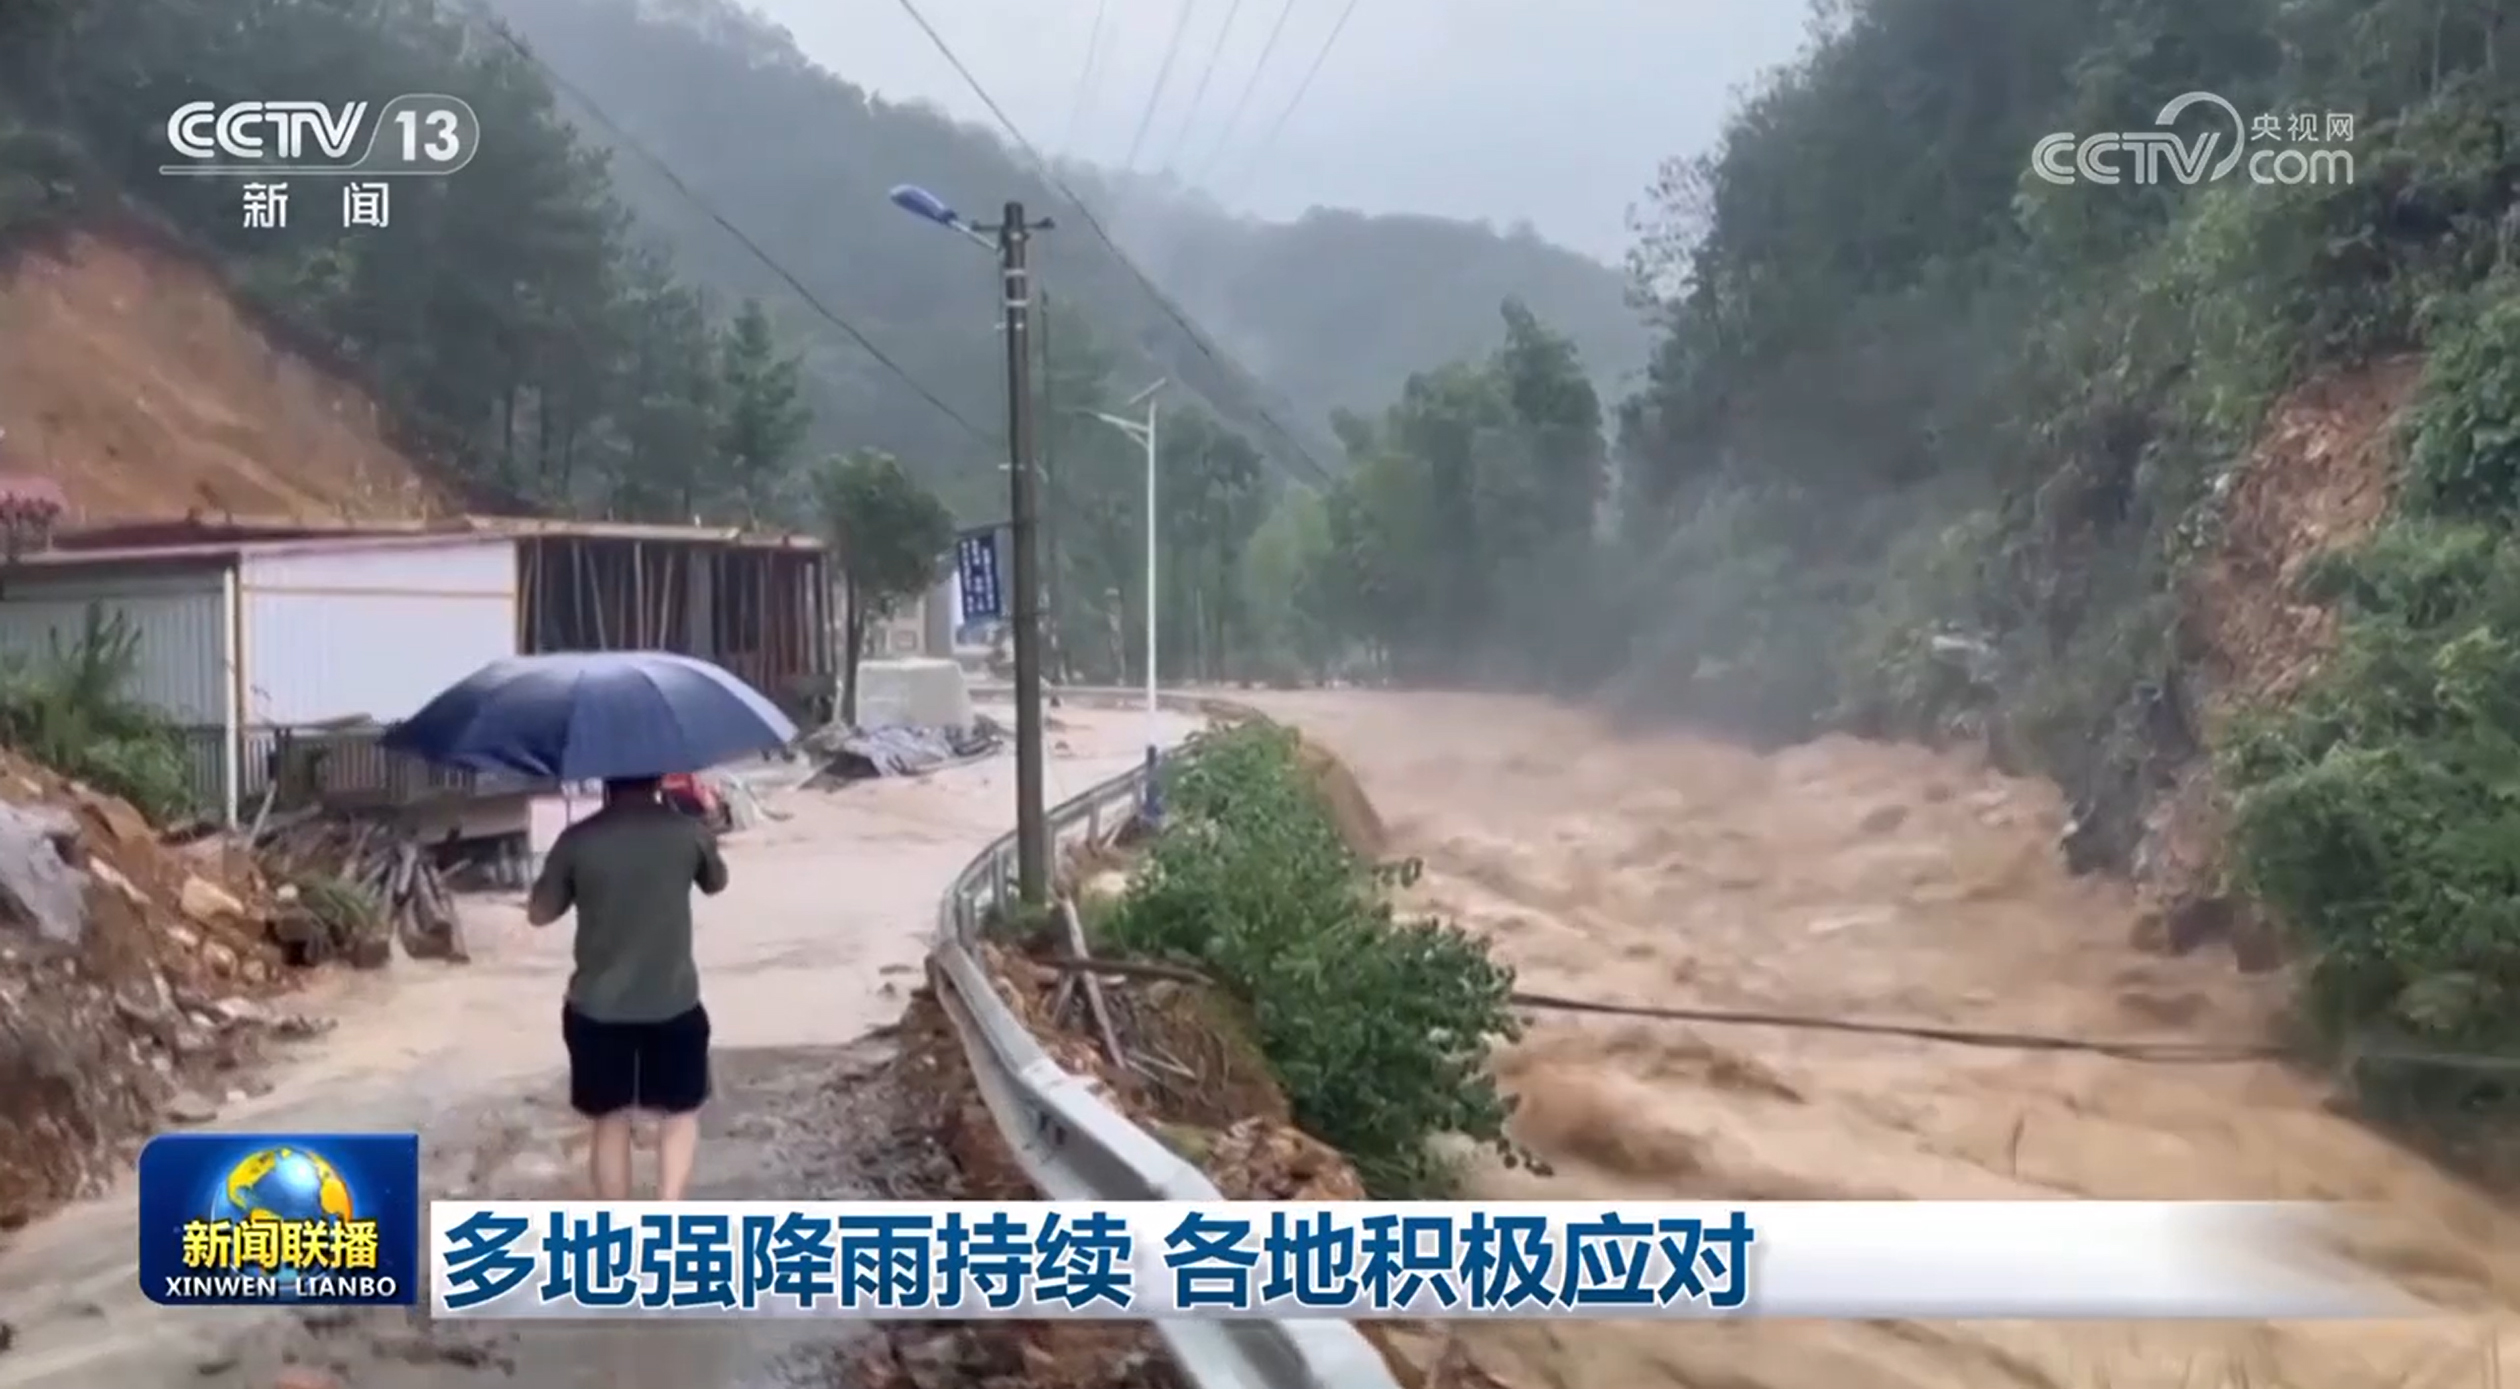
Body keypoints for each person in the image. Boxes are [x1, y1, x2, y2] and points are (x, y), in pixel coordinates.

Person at [526, 774, 730, 1201]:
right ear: (657, 778)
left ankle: (618, 1228)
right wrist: (708, 821)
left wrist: (553, 872)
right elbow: (716, 883)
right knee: (679, 1114)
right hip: (674, 1002)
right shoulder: (686, 832)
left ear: (605, 781)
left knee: (610, 1119)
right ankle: (668, 1214)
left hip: (597, 1009)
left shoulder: (577, 839)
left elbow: (540, 914)